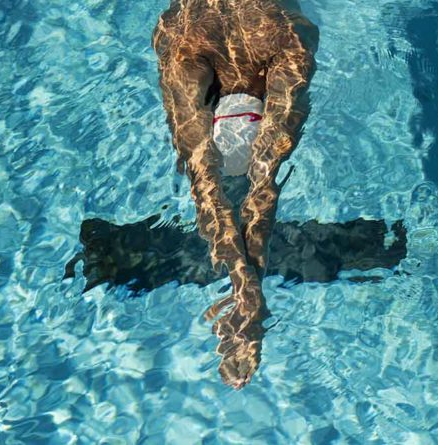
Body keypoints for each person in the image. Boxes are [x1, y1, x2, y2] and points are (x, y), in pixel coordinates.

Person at [152, 0, 318, 389]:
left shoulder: (179, 30)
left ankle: (244, 288)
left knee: (204, 178)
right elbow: (262, 179)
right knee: (265, 175)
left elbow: (204, 176)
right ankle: (249, 295)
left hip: (192, 31)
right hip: (276, 28)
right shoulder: (288, 31)